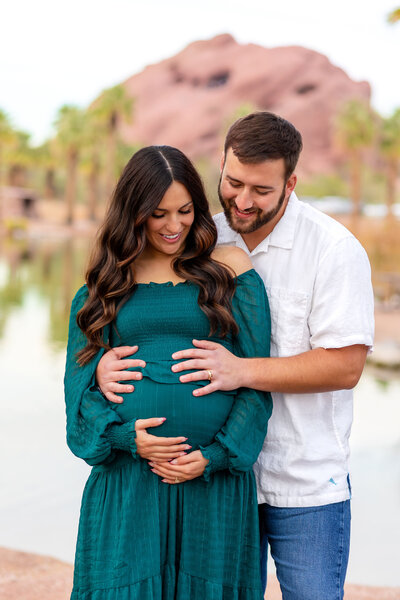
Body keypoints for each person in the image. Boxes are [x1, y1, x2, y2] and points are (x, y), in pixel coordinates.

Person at [96, 113, 375, 600]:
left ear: (291, 183)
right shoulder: (203, 239)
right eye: (233, 182)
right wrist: (101, 365)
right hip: (214, 480)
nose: (243, 201)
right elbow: (135, 304)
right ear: (221, 165)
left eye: (262, 190)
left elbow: (346, 366)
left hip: (299, 480)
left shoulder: (333, 249)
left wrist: (242, 370)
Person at [64, 145, 273, 600]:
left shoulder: (230, 269)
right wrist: (126, 439)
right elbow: (77, 402)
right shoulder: (103, 286)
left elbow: (258, 381)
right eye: (158, 213)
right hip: (129, 482)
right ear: (133, 212)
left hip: (212, 485)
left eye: (185, 210)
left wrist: (216, 457)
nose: (174, 225)